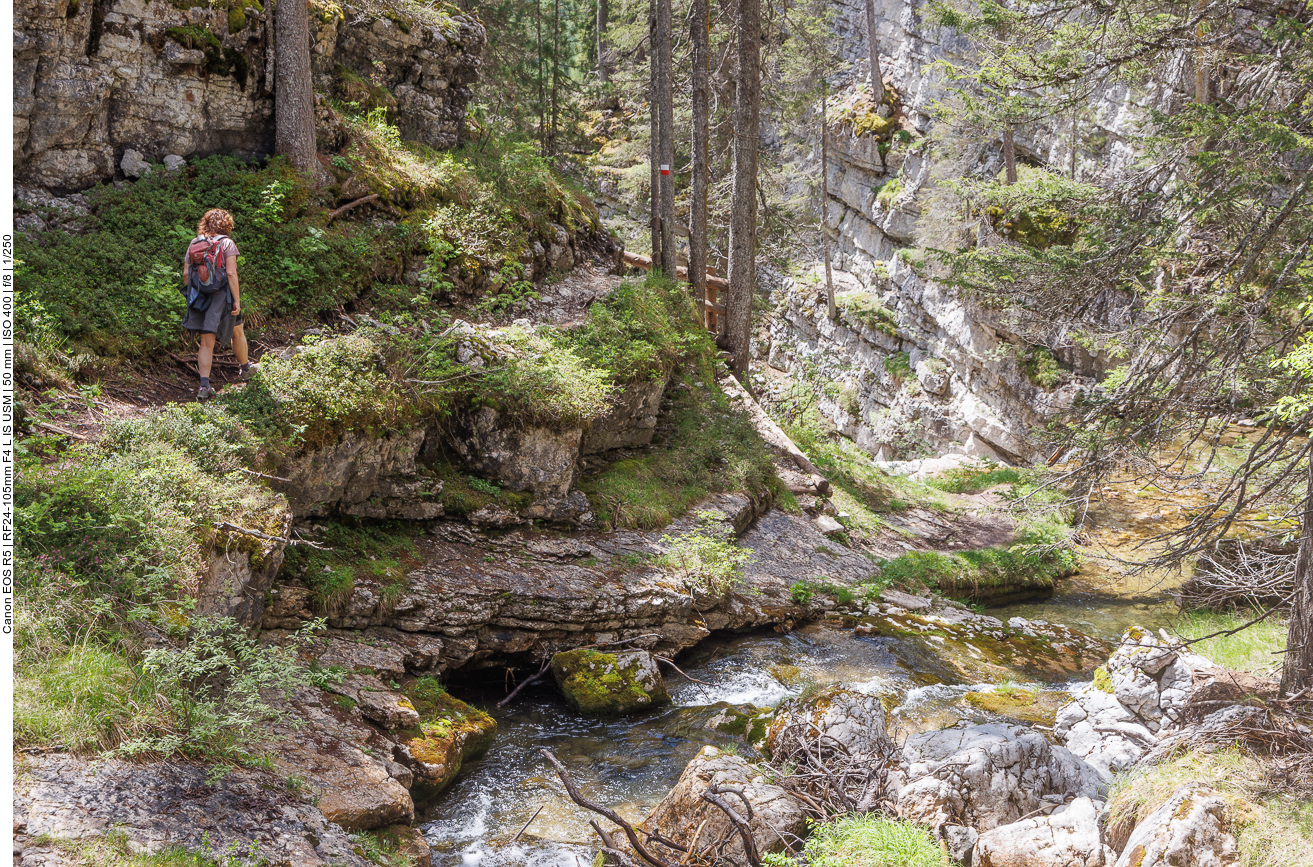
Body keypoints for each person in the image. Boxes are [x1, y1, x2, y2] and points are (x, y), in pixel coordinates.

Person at [182, 208, 257, 399]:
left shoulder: (195, 242)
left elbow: (185, 274)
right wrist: (236, 300)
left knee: (206, 343)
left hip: (200, 297)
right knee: (237, 330)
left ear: (205, 223)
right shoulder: (227, 243)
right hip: (223, 297)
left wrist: (193, 297)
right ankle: (246, 370)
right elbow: (231, 273)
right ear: (227, 224)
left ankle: (204, 387)